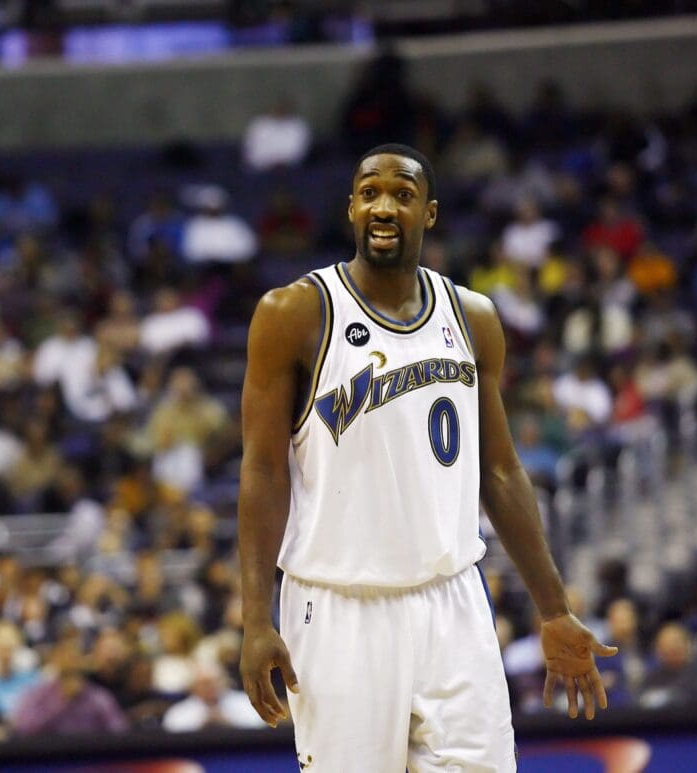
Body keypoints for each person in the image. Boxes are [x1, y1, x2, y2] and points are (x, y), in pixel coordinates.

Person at [238, 143, 618, 771]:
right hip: (338, 607)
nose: (384, 206)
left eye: (403, 194)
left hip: (452, 601)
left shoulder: (474, 317)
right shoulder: (294, 313)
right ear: (351, 210)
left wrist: (553, 608)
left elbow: (500, 470)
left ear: (431, 214)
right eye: (370, 193)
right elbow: (261, 471)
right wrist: (255, 618)